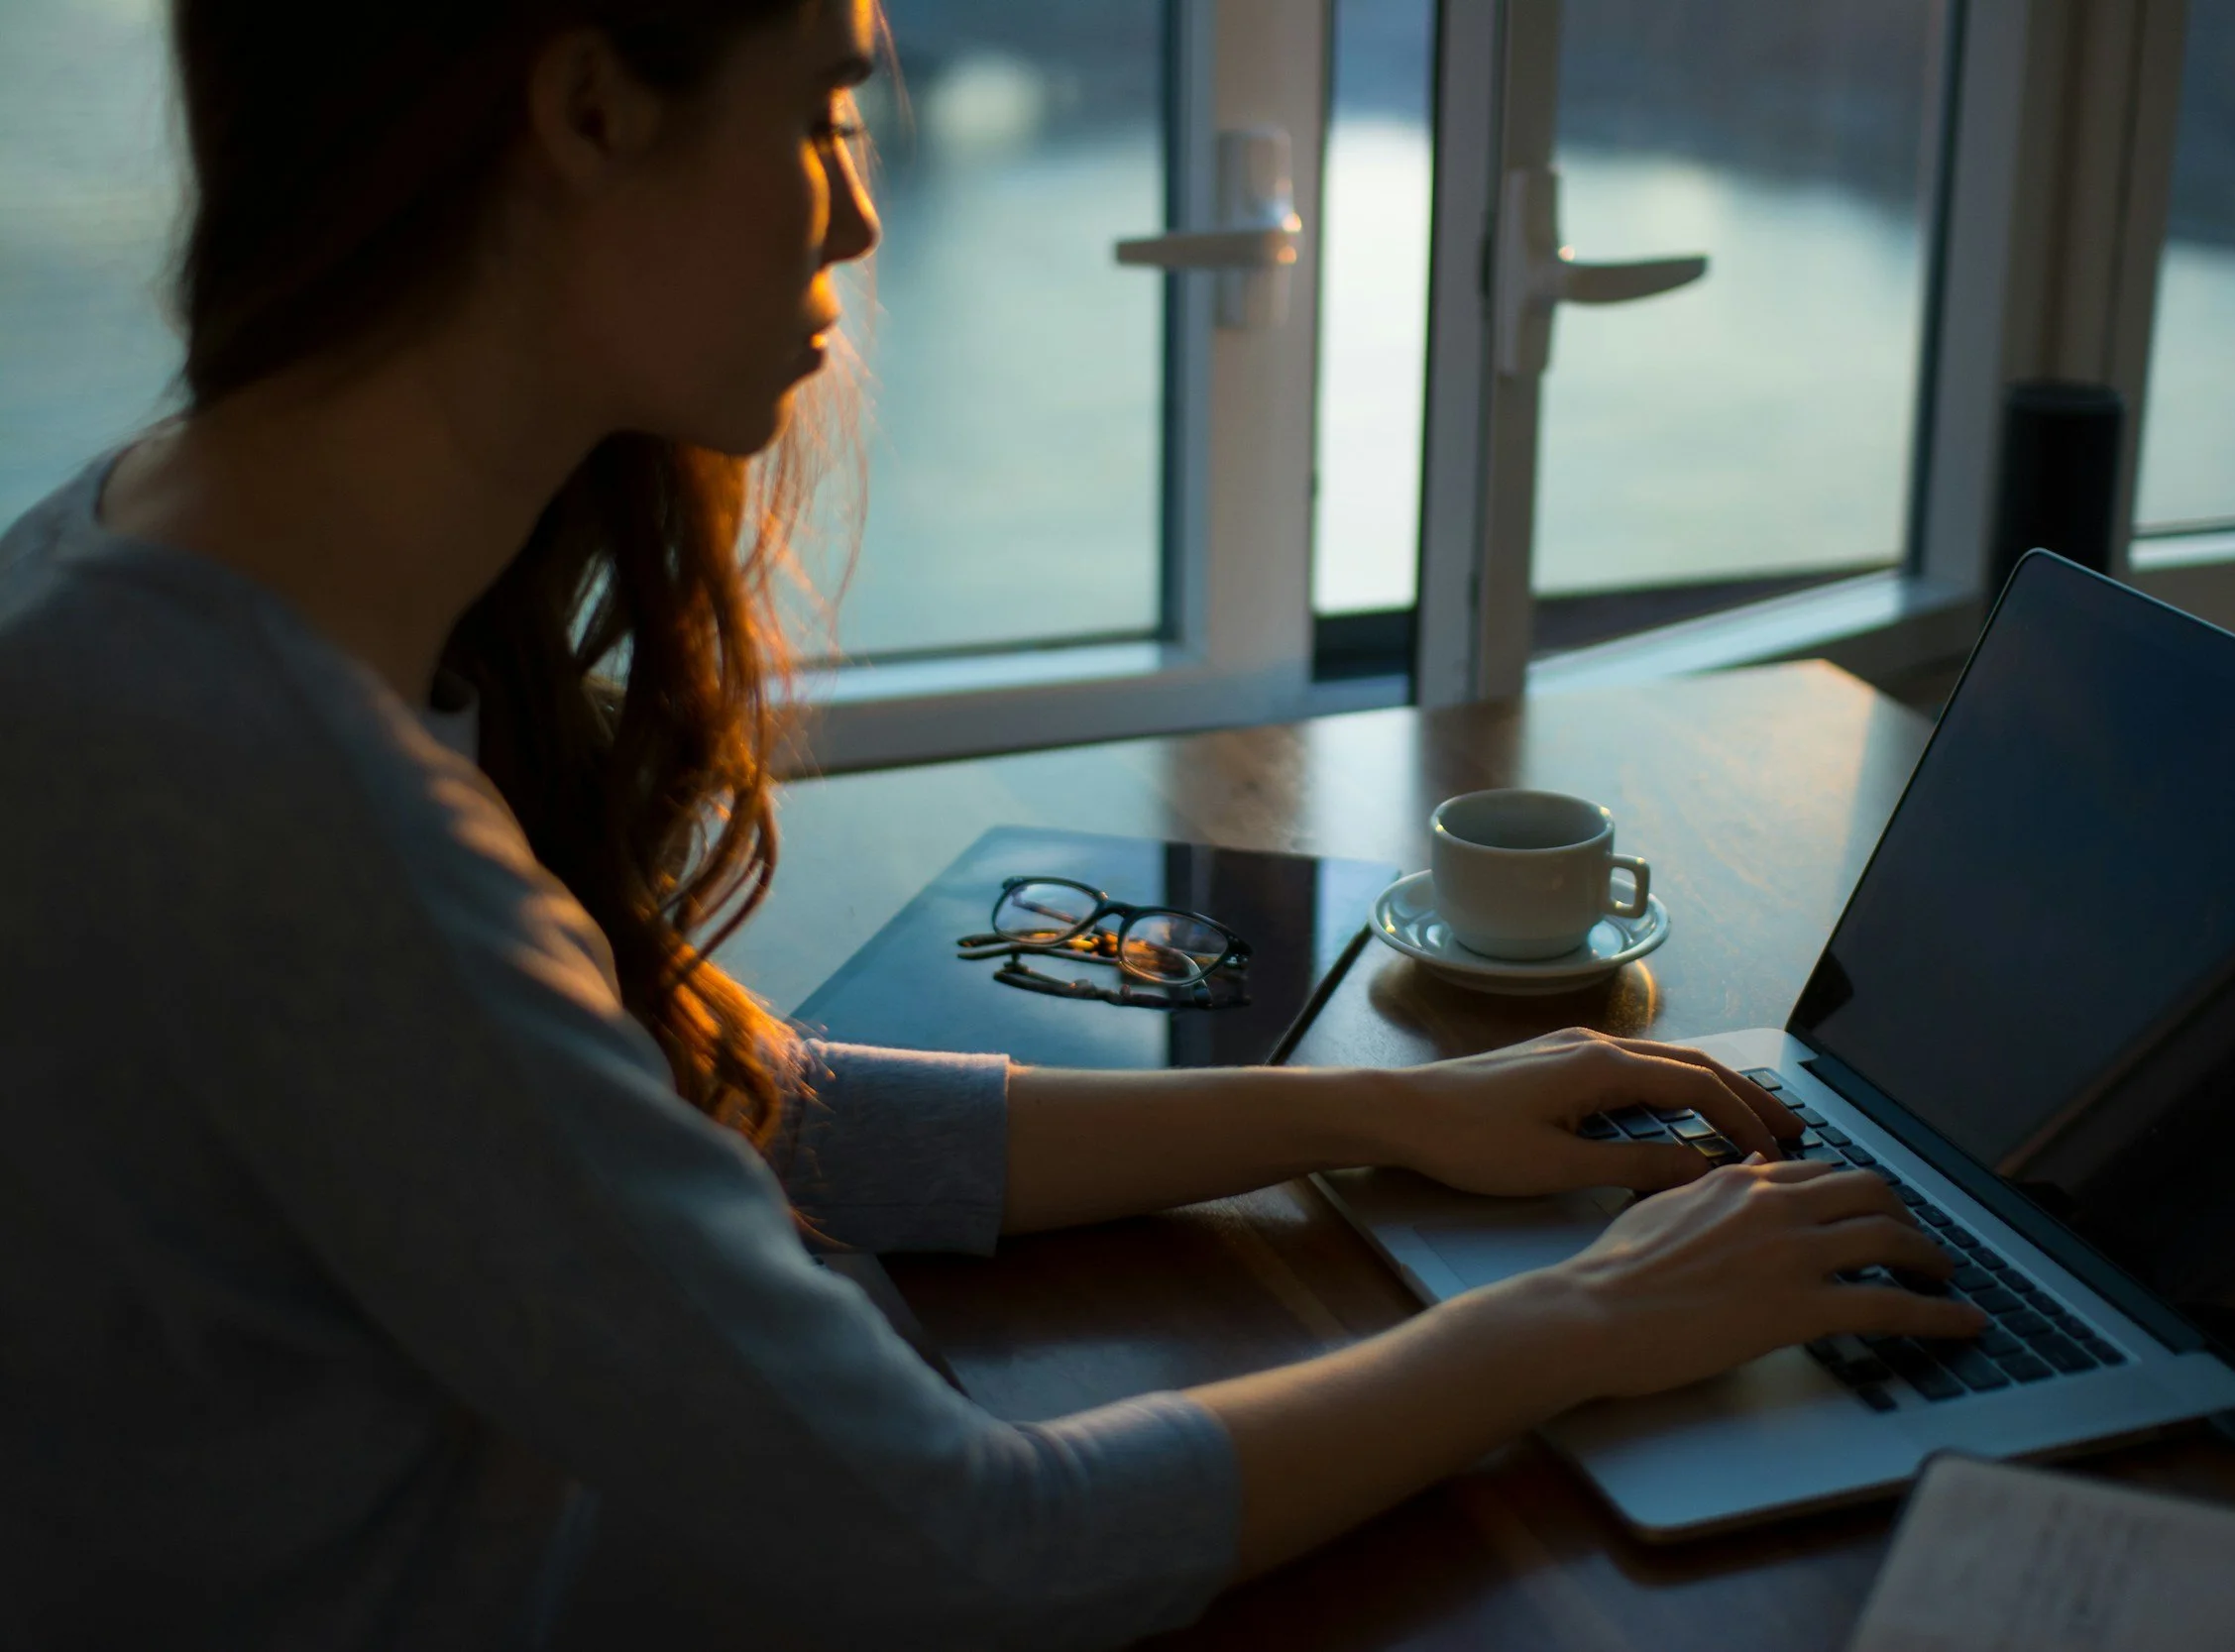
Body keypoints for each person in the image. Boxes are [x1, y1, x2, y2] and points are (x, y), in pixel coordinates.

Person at [0, 1, 1984, 1645]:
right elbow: (972, 1542)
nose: (856, 214)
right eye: (824, 104)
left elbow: (682, 1103)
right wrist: (1568, 1321)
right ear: (589, 101)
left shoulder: (144, 561)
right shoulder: (292, 812)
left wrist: (1362, 1115)